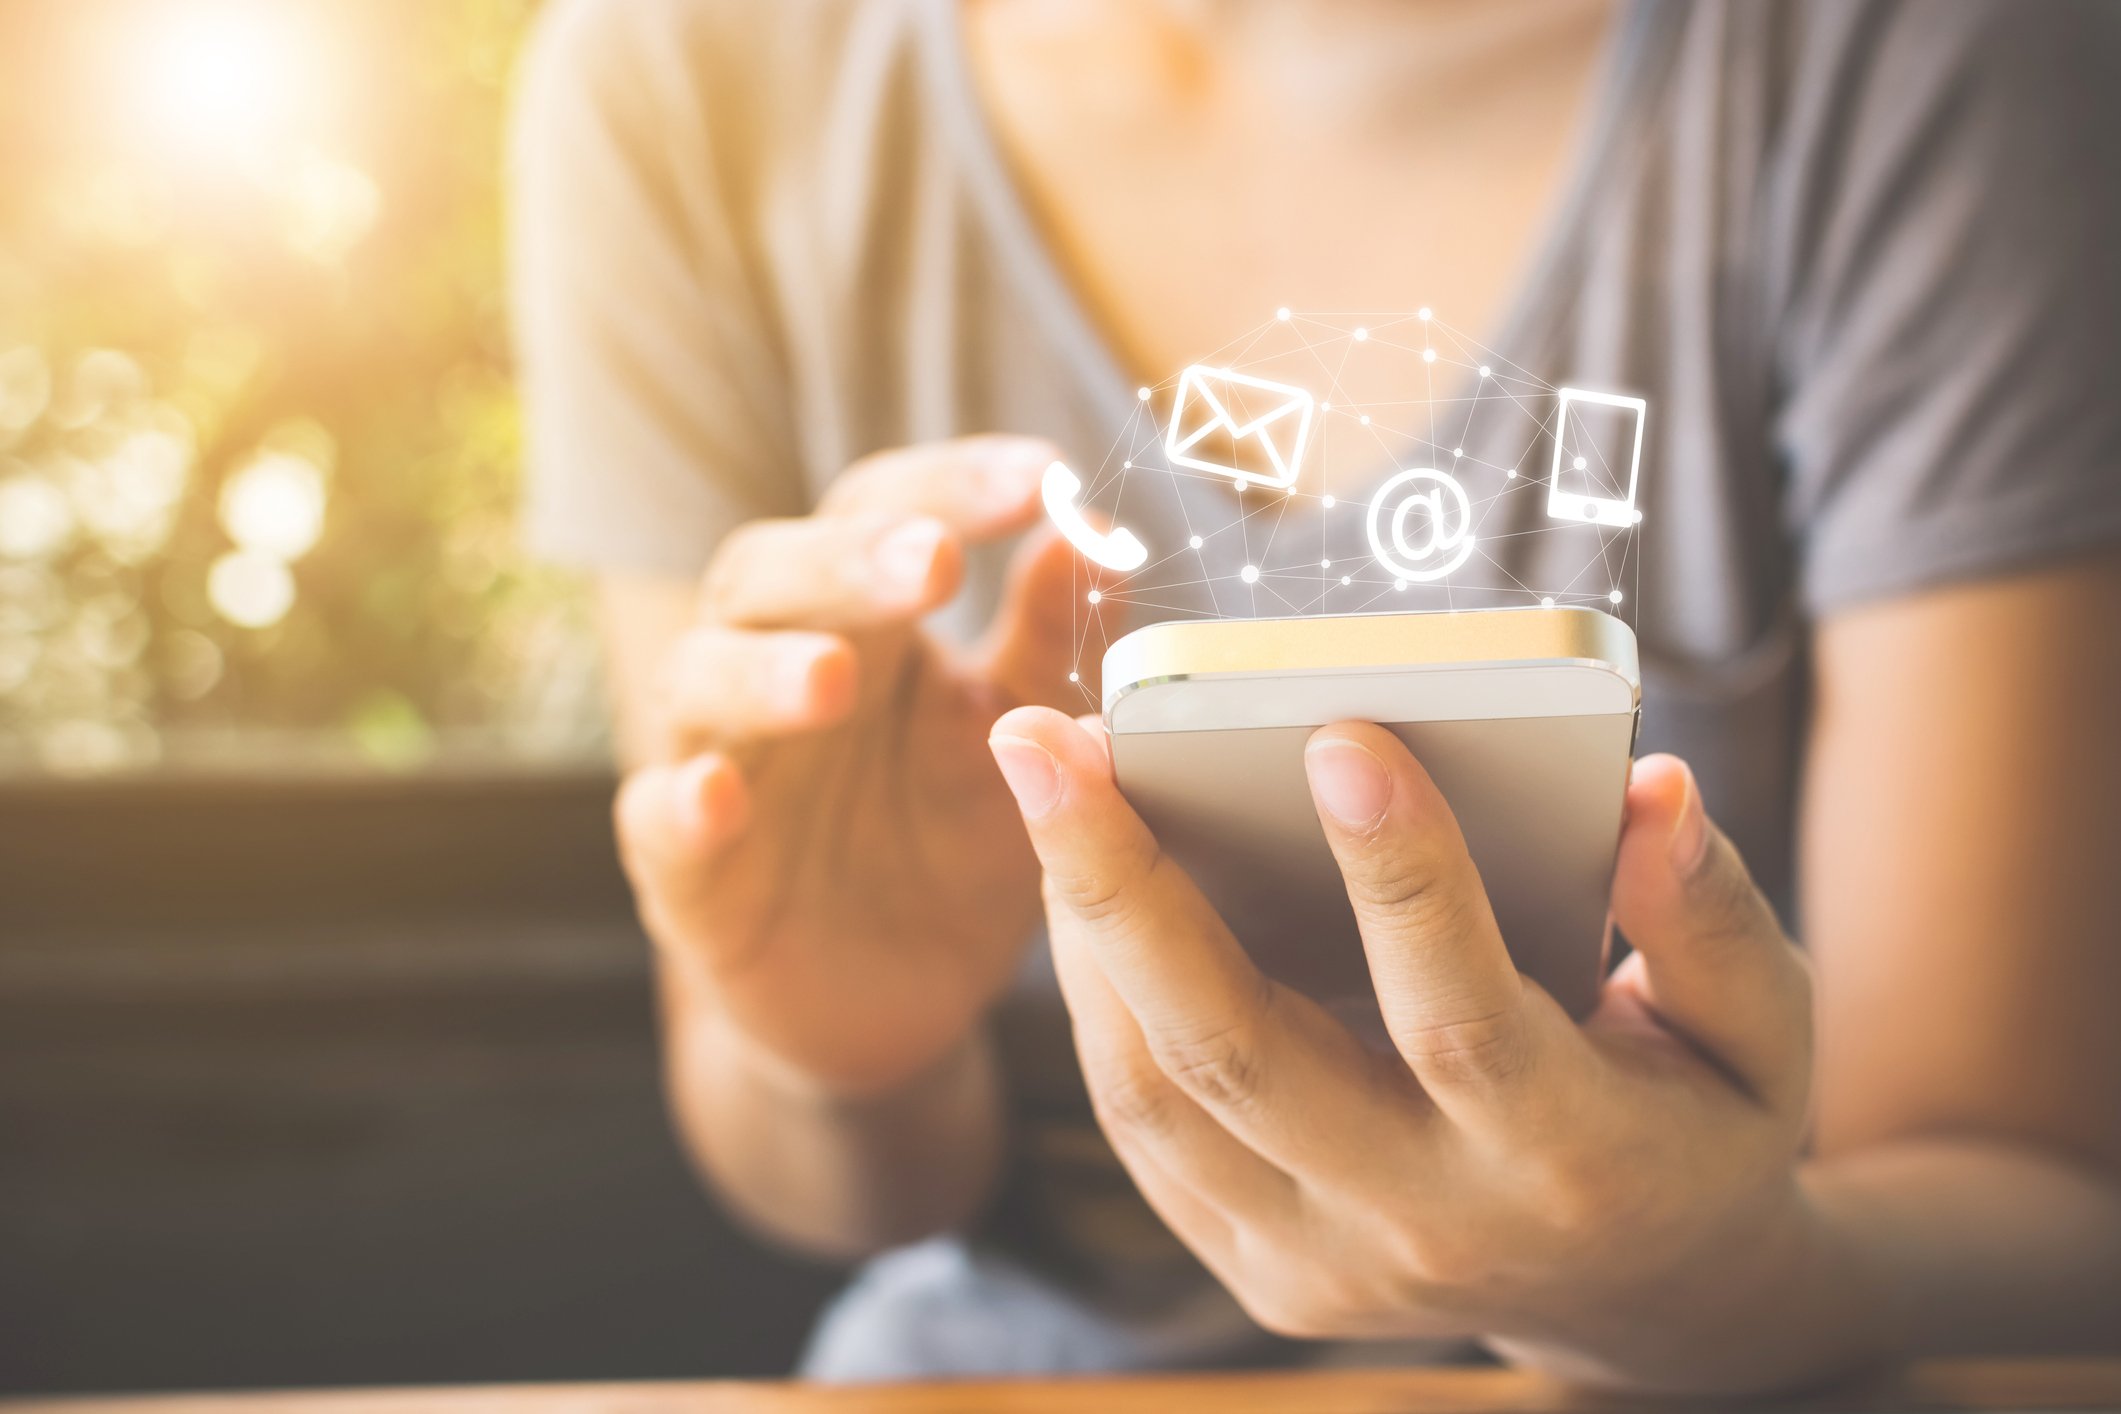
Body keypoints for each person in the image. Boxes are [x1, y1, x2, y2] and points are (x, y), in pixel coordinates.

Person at [507, 0, 2121, 1392]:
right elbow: (819, 1177)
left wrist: (1702, 1287)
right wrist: (841, 1053)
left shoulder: (1918, 57)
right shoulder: (686, 77)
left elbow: (2041, 1205)